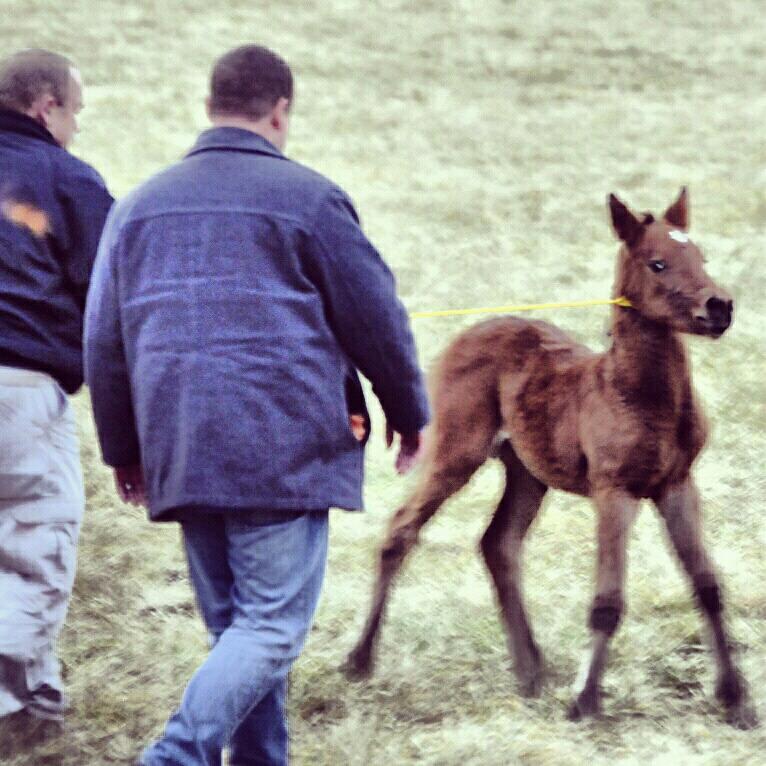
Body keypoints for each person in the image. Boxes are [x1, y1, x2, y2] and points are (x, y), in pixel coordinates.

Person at [84, 44, 429, 765]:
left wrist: (123, 448)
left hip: (179, 442)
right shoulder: (310, 199)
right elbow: (375, 316)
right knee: (269, 631)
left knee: (237, 634)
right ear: (280, 111)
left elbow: (103, 340)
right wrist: (408, 407)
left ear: (210, 108)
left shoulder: (139, 206)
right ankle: (175, 757)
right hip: (279, 444)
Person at [0, 49, 113, 732]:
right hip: (20, 386)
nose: (76, 127)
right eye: (75, 113)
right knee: (38, 544)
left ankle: (35, 694)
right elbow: (109, 300)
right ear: (48, 107)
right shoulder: (66, 178)